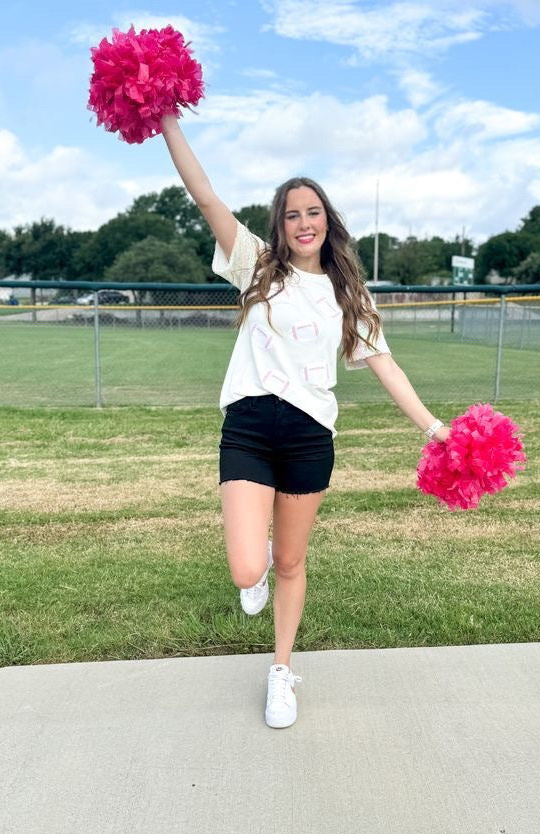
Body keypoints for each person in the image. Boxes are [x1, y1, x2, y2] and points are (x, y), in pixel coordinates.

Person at [160, 114, 451, 729]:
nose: (303, 223)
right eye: (291, 214)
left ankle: (281, 671)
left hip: (309, 437)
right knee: (249, 568)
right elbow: (204, 193)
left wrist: (433, 428)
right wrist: (165, 121)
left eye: (312, 211)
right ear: (279, 224)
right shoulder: (256, 267)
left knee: (291, 562)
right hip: (248, 427)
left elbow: (387, 367)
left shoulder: (349, 293)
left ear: (328, 220)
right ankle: (254, 560)